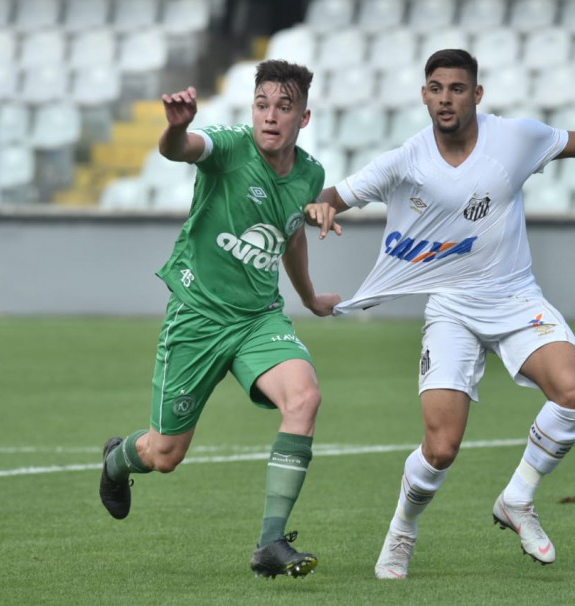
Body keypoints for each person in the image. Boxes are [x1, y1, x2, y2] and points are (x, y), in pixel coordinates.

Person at [306, 49, 575, 579]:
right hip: (451, 309)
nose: (445, 98)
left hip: (516, 297)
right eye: (435, 88)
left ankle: (517, 498)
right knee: (441, 448)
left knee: (574, 391)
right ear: (423, 94)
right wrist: (322, 205)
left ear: (477, 94)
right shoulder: (407, 158)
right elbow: (335, 194)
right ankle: (402, 532)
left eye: (456, 88)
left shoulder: (513, 139)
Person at [98, 59, 340, 579]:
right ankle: (118, 460)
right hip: (198, 316)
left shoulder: (311, 174)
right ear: (251, 110)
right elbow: (180, 150)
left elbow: (291, 235)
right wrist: (176, 126)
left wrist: (311, 296)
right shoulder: (229, 148)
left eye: (284, 107)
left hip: (258, 320)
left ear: (305, 117)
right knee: (164, 454)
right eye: (262, 105)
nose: (271, 117)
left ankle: (270, 544)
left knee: (305, 397)